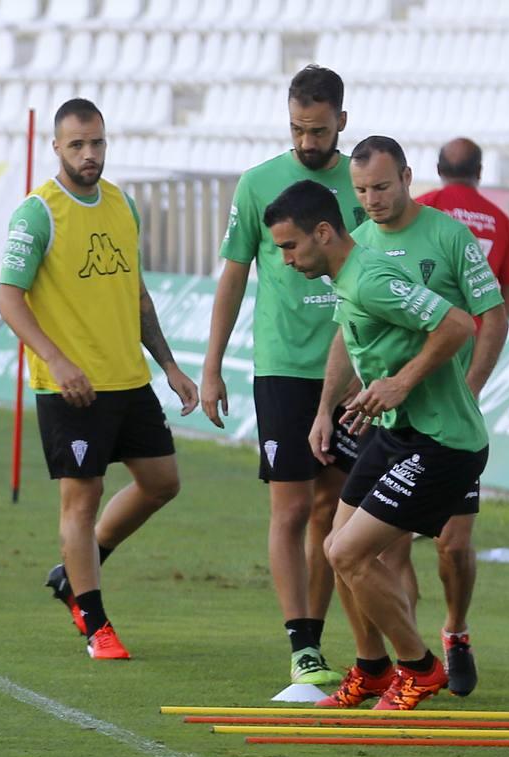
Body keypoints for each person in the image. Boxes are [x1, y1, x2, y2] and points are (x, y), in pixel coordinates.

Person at [264, 178, 485, 711]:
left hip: (444, 443)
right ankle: (373, 669)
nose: (286, 259)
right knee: (335, 549)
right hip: (398, 433)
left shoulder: (371, 280)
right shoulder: (347, 279)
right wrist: (328, 408)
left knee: (347, 551)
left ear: (323, 233)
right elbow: (347, 339)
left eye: (290, 246)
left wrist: (400, 383)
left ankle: (419, 668)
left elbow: (459, 325)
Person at [0, 98, 199, 661]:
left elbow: (136, 295)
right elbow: (9, 299)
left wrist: (169, 365)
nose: (90, 154)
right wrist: (58, 362)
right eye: (78, 144)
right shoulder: (37, 212)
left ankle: (77, 569)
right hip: (71, 386)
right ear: (57, 148)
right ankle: (93, 620)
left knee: (162, 483)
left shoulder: (121, 206)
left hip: (128, 378)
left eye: (98, 143)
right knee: (81, 502)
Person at [202, 65, 367, 687]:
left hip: (351, 368)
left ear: (341, 123)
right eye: (297, 128)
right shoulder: (258, 185)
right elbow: (233, 275)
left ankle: (321, 638)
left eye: (319, 130)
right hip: (281, 367)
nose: (307, 141)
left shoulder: (361, 185)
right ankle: (300, 642)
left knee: (334, 505)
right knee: (291, 505)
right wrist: (212, 367)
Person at [347, 136, 506, 697]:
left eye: (382, 187)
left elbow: (491, 315)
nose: (372, 199)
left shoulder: (448, 235)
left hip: (448, 427)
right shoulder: (358, 244)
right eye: (362, 190)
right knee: (370, 548)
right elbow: (351, 337)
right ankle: (396, 665)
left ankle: (455, 632)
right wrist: (345, 400)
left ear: (409, 177)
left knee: (453, 544)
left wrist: (471, 386)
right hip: (394, 430)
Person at [417, 138, 509, 319]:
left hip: (422, 331)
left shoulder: (419, 208)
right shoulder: (501, 221)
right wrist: (493, 334)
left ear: (438, 169)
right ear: (479, 171)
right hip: (476, 338)